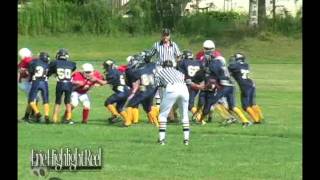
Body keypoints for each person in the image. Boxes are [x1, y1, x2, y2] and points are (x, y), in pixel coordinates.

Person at [198, 52, 252, 127]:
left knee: (211, 102)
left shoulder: (213, 65)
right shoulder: (220, 64)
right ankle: (245, 121)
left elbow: (214, 78)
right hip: (231, 86)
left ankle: (201, 120)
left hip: (224, 86)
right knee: (232, 106)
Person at [154, 60, 190, 145]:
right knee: (184, 115)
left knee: (163, 115)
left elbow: (158, 85)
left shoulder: (160, 72)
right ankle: (186, 140)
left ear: (163, 66)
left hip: (171, 88)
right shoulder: (179, 72)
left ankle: (162, 139)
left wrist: (160, 100)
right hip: (184, 89)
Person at [150, 28, 182, 122]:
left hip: (171, 69)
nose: (165, 37)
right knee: (161, 91)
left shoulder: (174, 45)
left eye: (167, 35)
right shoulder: (156, 45)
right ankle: (166, 113)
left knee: (172, 90)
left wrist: (177, 64)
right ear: (161, 35)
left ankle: (171, 113)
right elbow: (150, 54)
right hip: (160, 68)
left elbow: (178, 55)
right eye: (164, 35)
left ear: (169, 35)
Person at [228, 53, 264, 123]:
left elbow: (228, 71)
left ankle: (256, 120)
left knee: (245, 106)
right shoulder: (246, 65)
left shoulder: (234, 66)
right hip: (251, 84)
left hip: (245, 86)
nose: (233, 60)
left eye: (235, 58)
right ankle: (261, 118)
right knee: (252, 104)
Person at [125, 51, 159, 127]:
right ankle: (157, 124)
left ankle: (127, 122)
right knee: (148, 108)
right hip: (152, 89)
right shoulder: (150, 68)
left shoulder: (136, 71)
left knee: (129, 105)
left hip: (143, 90)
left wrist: (133, 93)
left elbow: (135, 85)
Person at [48, 48, 76, 124]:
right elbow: (71, 69)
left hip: (60, 83)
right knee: (68, 101)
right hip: (69, 84)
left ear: (58, 55)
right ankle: (69, 119)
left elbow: (50, 71)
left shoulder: (54, 62)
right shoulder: (72, 63)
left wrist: (54, 73)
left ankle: (54, 119)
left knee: (58, 102)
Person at [102, 59, 131, 126]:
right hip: (126, 91)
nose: (105, 67)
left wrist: (95, 80)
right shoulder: (117, 71)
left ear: (109, 66)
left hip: (121, 92)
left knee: (108, 102)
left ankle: (116, 115)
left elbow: (104, 82)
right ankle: (127, 121)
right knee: (119, 108)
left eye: (106, 66)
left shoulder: (111, 72)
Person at [28, 52, 50, 123]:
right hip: (44, 83)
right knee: (46, 100)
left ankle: (37, 113)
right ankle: (47, 115)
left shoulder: (34, 62)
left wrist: (30, 79)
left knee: (31, 100)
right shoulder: (47, 65)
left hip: (36, 82)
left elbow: (30, 72)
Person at [18, 48, 37, 121]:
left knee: (34, 99)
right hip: (26, 83)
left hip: (23, 82)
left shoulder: (22, 61)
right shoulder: (27, 60)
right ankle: (32, 116)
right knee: (33, 99)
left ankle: (28, 116)